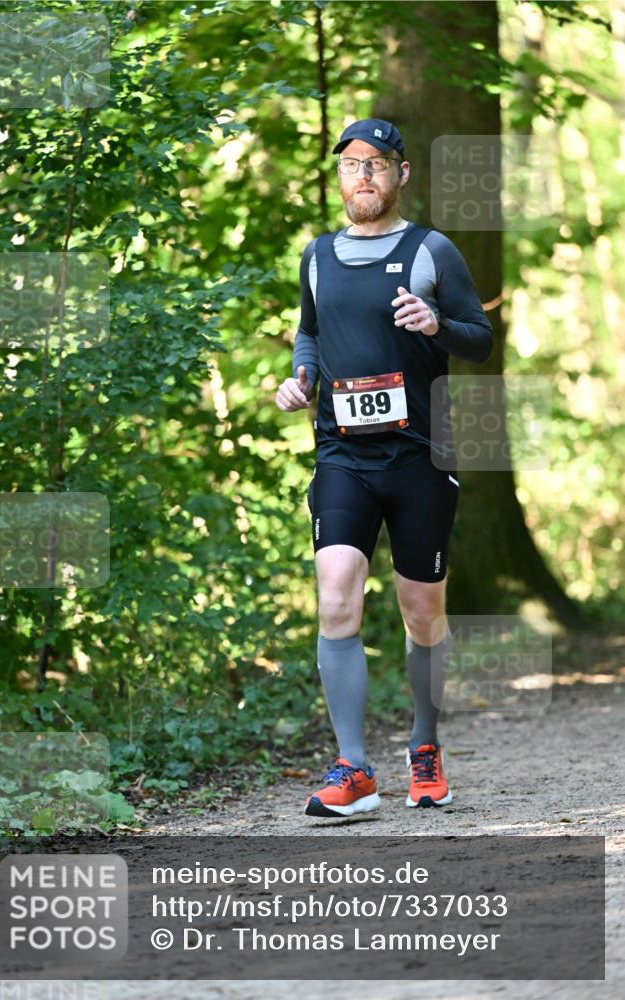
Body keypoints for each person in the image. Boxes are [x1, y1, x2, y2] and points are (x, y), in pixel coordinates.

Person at [275, 118, 492, 817]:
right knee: (336, 590)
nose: (362, 174)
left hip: (419, 456)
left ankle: (423, 748)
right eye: (350, 164)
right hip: (341, 451)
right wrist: (301, 378)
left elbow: (480, 340)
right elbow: (309, 332)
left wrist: (436, 325)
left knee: (420, 611)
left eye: (377, 163)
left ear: (400, 176)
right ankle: (352, 769)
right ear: (338, 178)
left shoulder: (431, 250)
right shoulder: (316, 255)